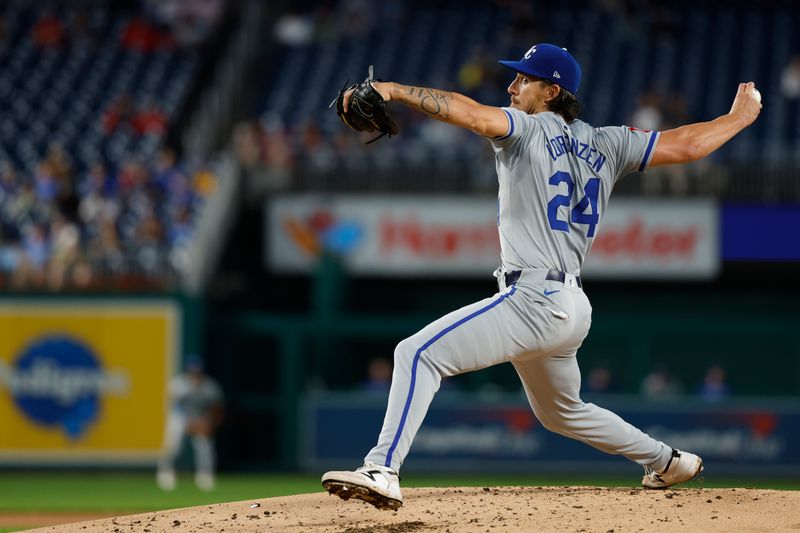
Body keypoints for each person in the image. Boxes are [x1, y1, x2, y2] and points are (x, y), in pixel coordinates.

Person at [322, 43, 762, 510]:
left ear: (552, 90)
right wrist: (738, 118)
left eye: (523, 79)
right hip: (572, 306)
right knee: (561, 412)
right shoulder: (609, 142)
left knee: (416, 354)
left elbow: (472, 114)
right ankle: (668, 461)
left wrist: (392, 90)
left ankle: (382, 469)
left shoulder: (527, 128)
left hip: (533, 297)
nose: (512, 86)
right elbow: (688, 144)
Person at [157, 355, 224, 491]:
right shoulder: (178, 384)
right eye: (193, 371)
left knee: (205, 446)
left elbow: (217, 408)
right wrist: (188, 422)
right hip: (180, 417)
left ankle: (205, 476)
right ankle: (166, 473)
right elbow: (174, 406)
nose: (195, 374)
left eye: (197, 371)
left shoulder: (210, 385)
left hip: (201, 418)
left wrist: (210, 424)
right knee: (173, 446)